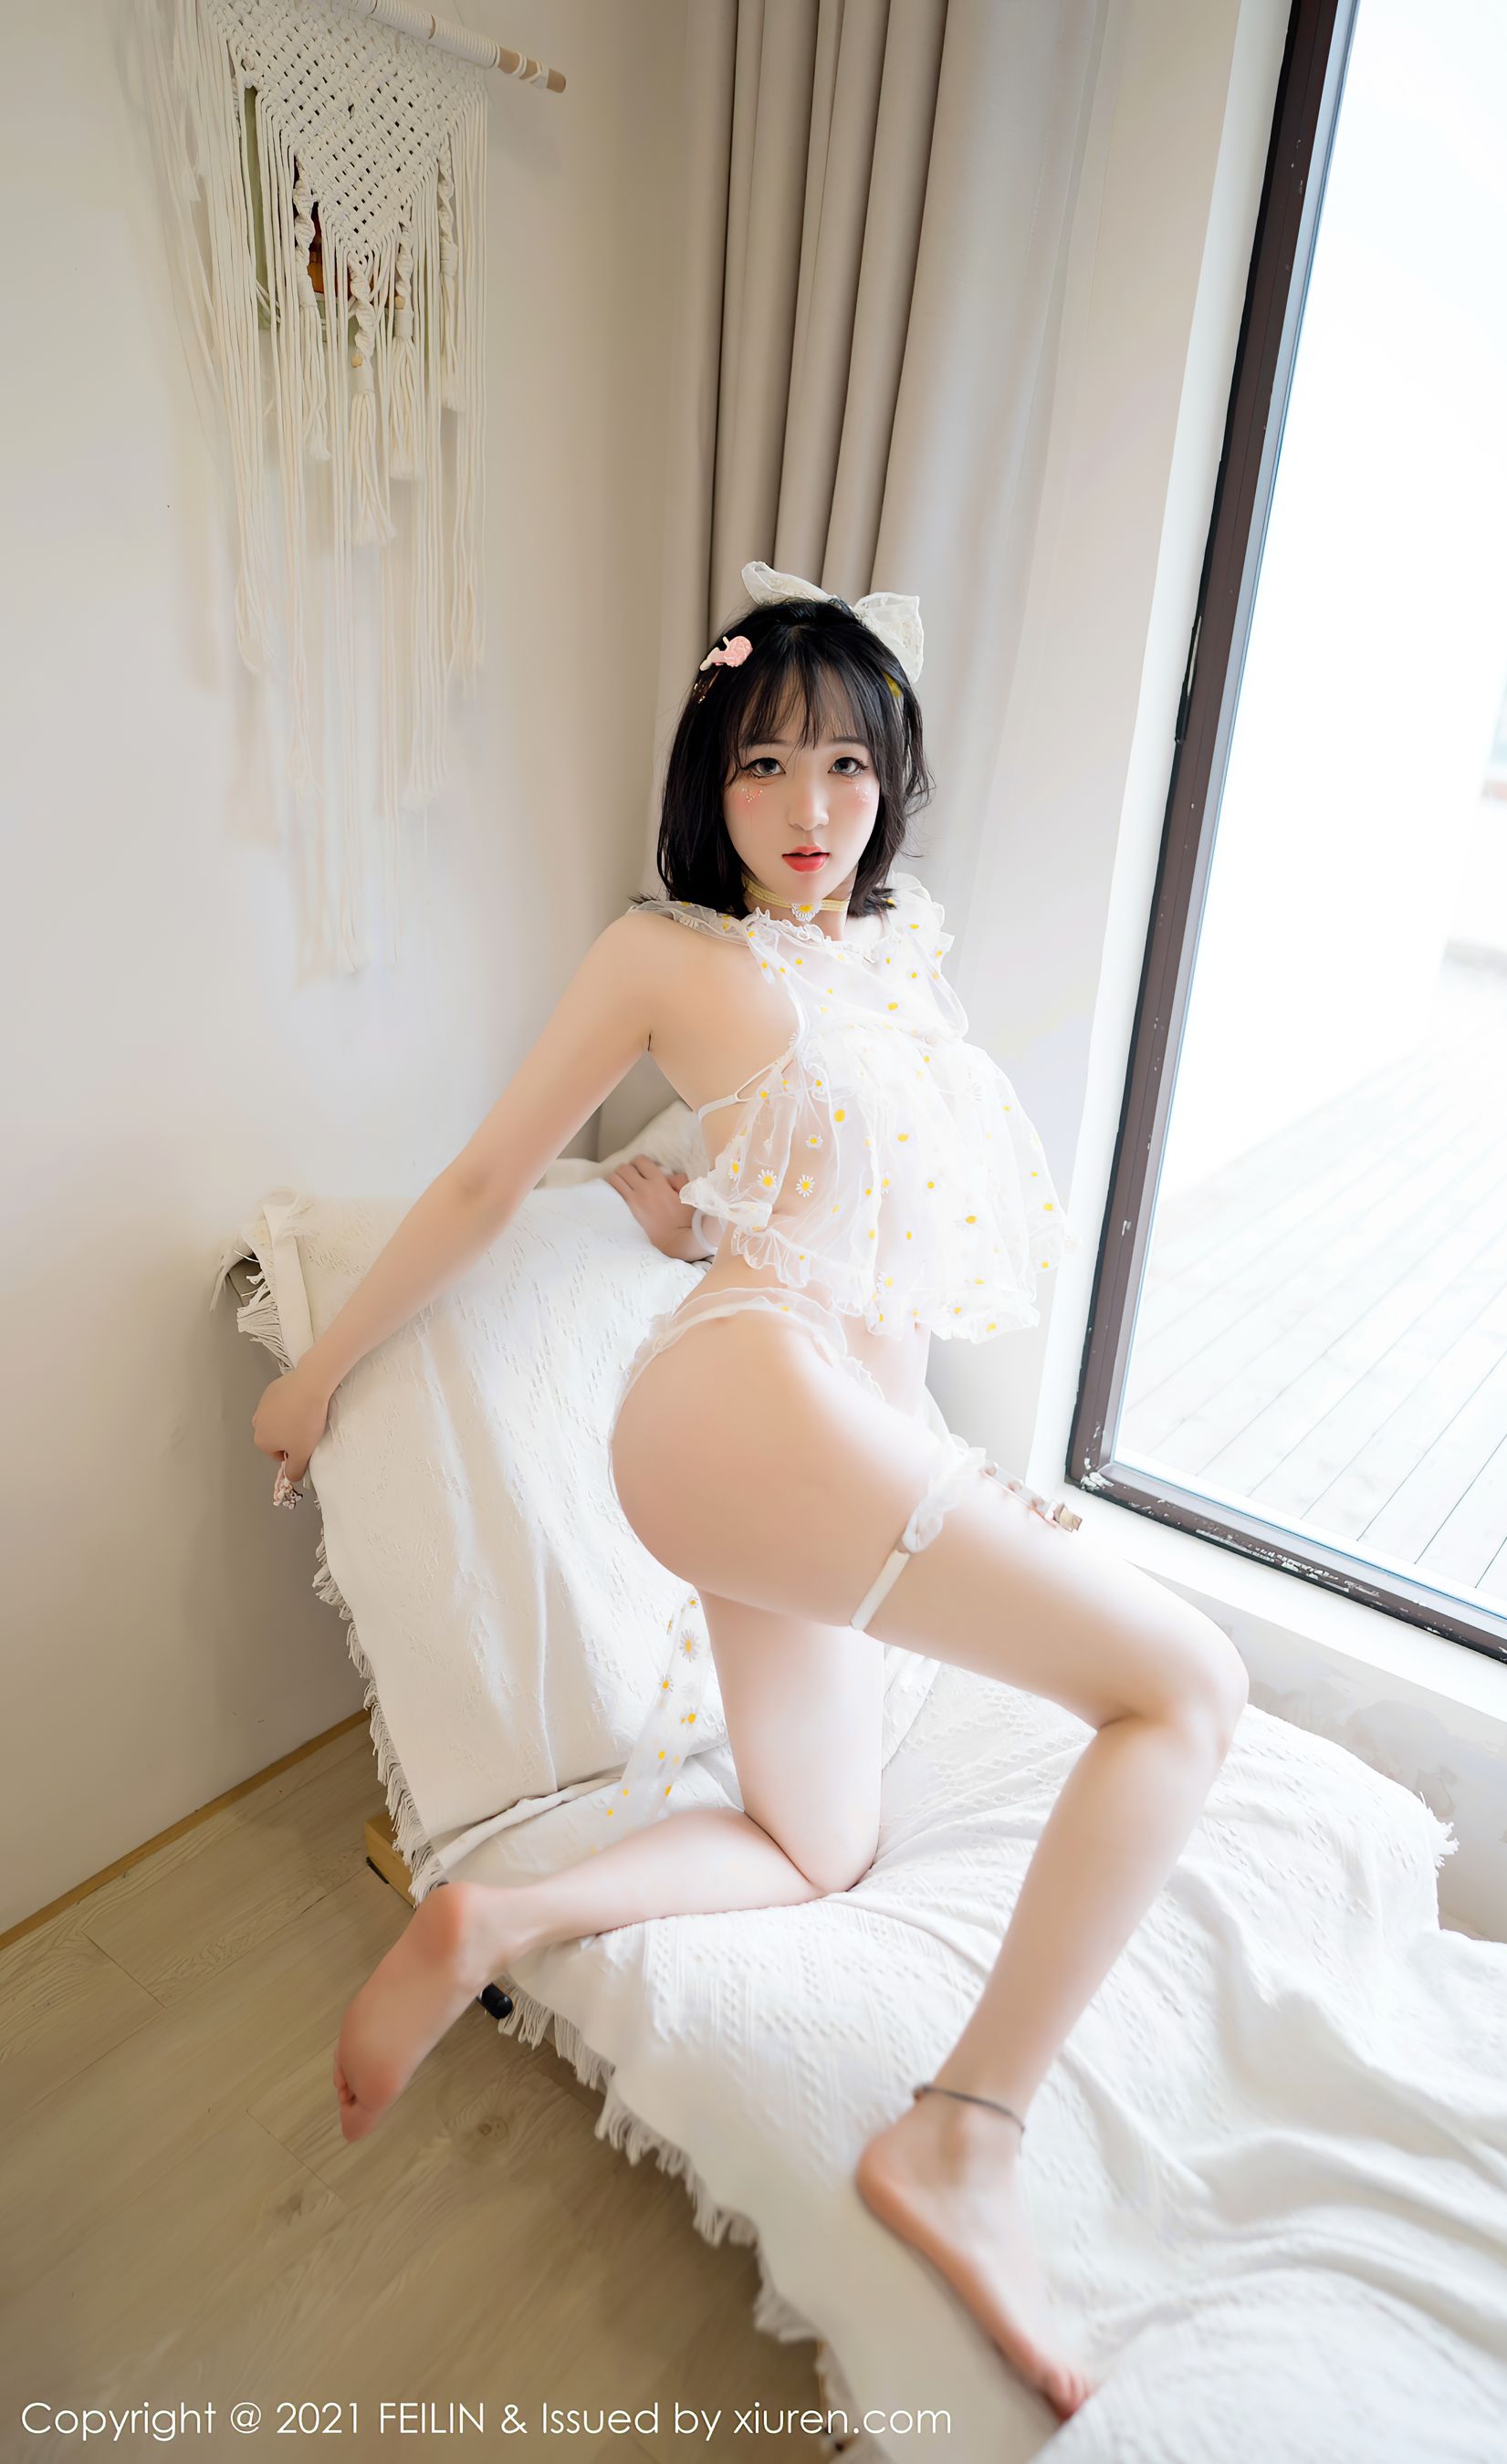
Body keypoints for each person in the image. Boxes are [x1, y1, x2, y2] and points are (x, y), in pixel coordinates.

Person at [251, 561, 1248, 2423]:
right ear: (708, 784)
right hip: (737, 1397)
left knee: (822, 1847)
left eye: (848, 766)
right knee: (1186, 1686)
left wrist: (715, 1231)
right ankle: (962, 2136)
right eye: (765, 764)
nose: (809, 809)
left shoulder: (898, 960)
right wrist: (319, 1374)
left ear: (892, 784)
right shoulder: (667, 955)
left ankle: (491, 1924)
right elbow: (483, 1182)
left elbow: (867, 1247)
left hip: (802, 1436)